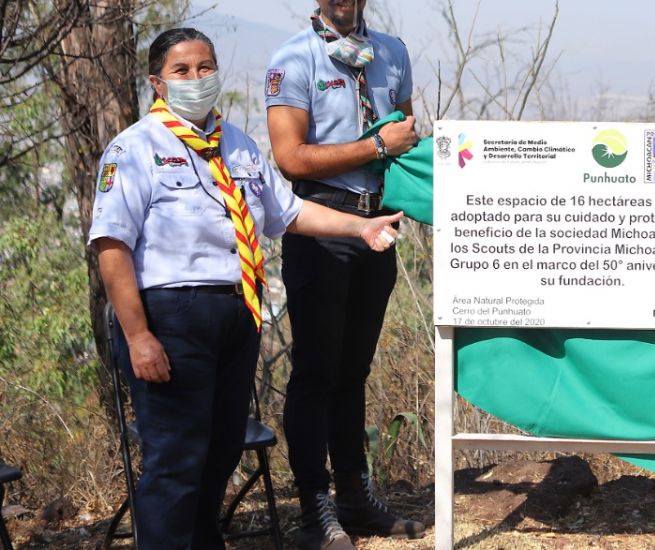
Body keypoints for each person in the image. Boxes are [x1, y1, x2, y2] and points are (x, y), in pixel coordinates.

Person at [90, 27, 405, 549]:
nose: (197, 78)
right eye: (182, 71)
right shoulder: (135, 148)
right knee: (175, 458)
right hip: (172, 316)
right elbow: (112, 248)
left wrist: (360, 226)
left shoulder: (233, 143)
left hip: (238, 314)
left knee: (220, 450)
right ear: (157, 82)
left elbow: (289, 211)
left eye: (205, 67)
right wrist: (139, 336)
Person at [263, 0, 421, 547]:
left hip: (378, 224)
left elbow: (403, 140)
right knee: (315, 370)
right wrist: (375, 144)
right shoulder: (294, 59)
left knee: (353, 369)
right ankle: (314, 506)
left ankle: (354, 496)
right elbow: (290, 159)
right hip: (320, 225)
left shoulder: (393, 52)